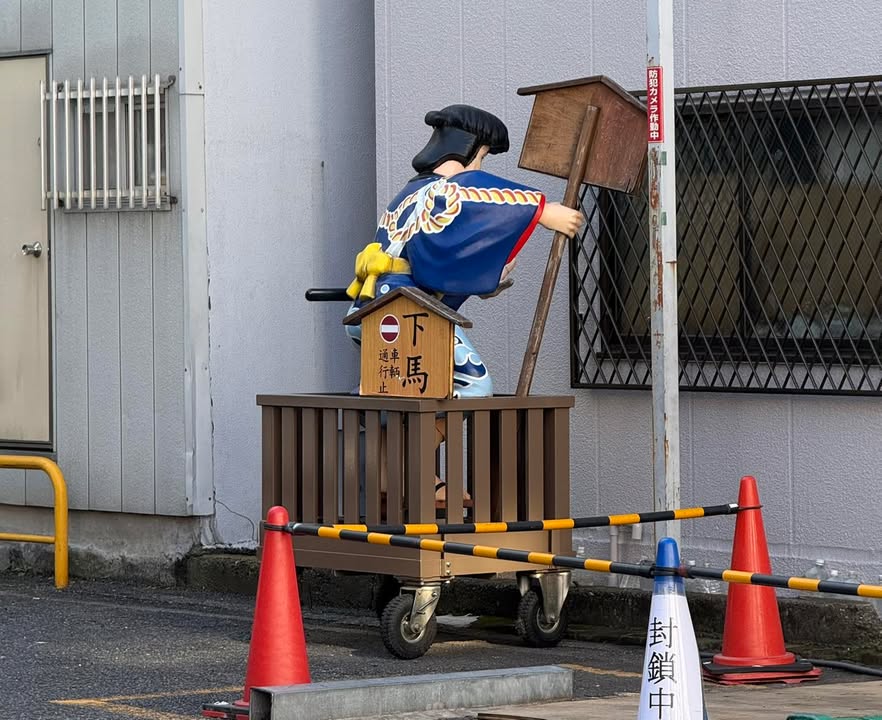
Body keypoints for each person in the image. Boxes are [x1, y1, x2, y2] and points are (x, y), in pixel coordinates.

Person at [345, 104, 584, 398]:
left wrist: (488, 278)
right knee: (475, 386)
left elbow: (434, 258)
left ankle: (382, 409)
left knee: (399, 384)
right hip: (405, 310)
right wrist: (543, 211)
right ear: (465, 149)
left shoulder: (408, 194)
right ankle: (415, 430)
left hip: (369, 308)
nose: (480, 166)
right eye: (481, 157)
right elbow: (475, 192)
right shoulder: (443, 190)